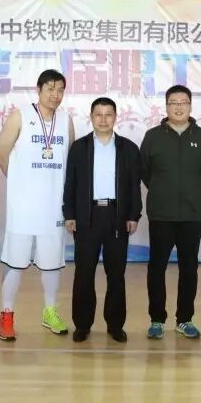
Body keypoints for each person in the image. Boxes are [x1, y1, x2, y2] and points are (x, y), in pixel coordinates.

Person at [0, 69, 75, 341]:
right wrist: (20, 183)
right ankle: (7, 314)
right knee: (15, 263)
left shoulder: (65, 120)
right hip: (23, 209)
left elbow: (71, 161)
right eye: (50, 88)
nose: (55, 94)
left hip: (54, 207)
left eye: (60, 89)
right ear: (38, 90)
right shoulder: (20, 116)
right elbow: (1, 152)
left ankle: (50, 311)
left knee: (51, 264)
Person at [63, 97, 142, 343]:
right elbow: (70, 183)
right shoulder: (80, 147)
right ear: (91, 117)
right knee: (84, 274)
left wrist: (134, 215)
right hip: (87, 216)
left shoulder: (128, 148)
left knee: (116, 275)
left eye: (108, 114)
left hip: (117, 216)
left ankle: (115, 325)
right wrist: (69, 214)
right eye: (98, 114)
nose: (103, 119)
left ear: (115, 117)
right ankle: (82, 325)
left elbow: (134, 186)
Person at [140, 84, 201, 339]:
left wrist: (190, 193)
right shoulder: (152, 136)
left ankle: (185, 319)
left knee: (189, 269)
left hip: (191, 215)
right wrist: (163, 191)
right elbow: (145, 172)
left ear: (190, 106)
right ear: (166, 106)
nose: (178, 107)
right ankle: (157, 319)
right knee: (156, 268)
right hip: (161, 214)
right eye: (173, 103)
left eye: (183, 102)